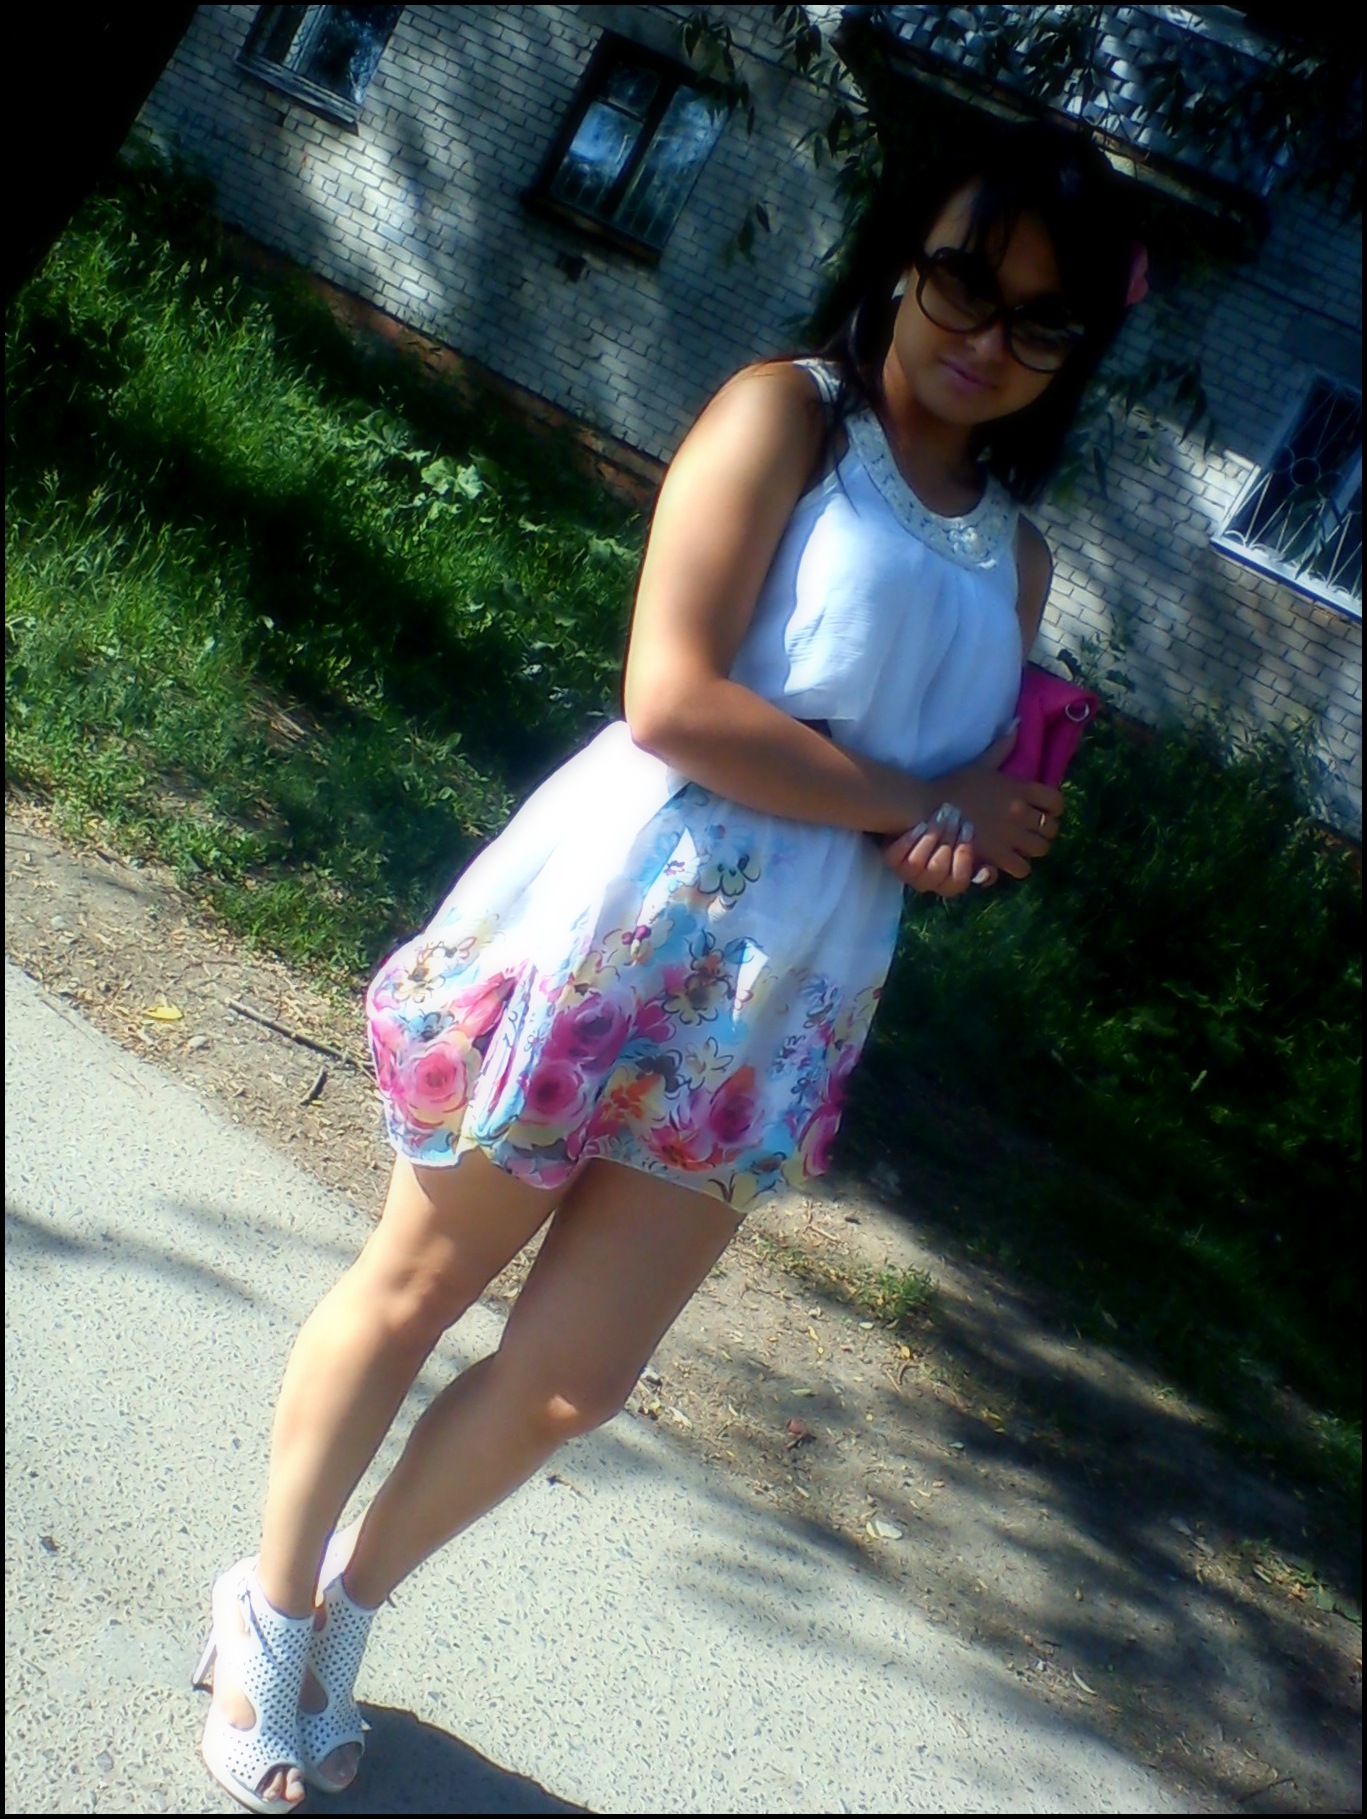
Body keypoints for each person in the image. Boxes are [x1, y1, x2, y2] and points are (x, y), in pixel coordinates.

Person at [194, 118, 1143, 1811]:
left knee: (573, 1382)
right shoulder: (792, 417)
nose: (985, 338)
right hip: (622, 926)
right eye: (960, 282)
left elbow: (905, 810)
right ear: (900, 264)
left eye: (1040, 320)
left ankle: (344, 1600)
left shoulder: (1019, 556)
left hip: (783, 1001)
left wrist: (962, 840)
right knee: (418, 1286)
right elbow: (675, 696)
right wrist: (918, 798)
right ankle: (266, 1610)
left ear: (1075, 353)